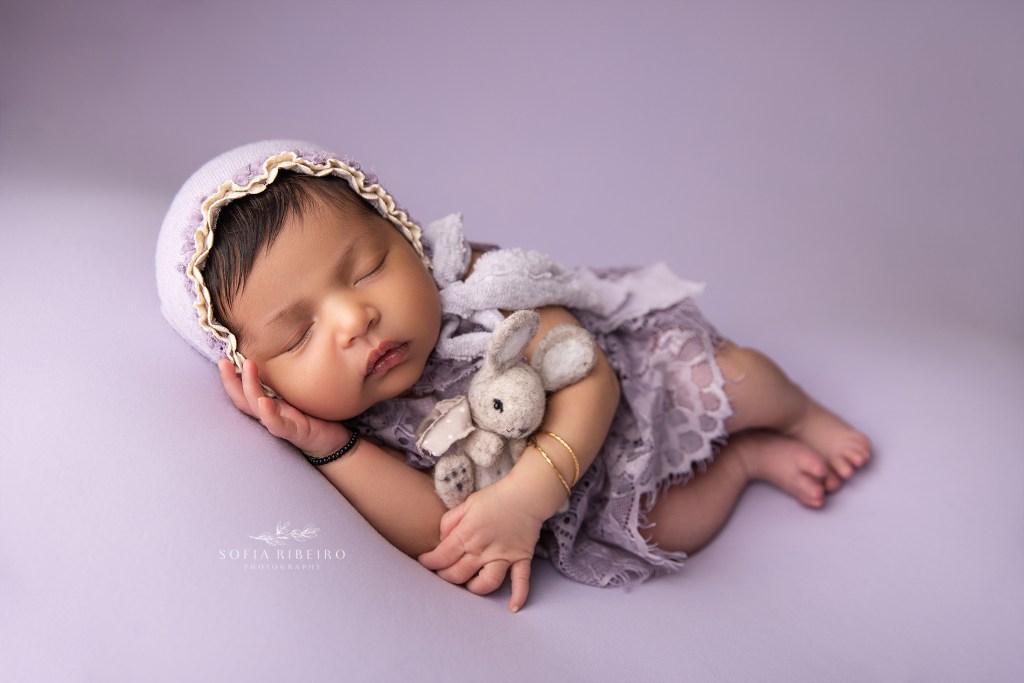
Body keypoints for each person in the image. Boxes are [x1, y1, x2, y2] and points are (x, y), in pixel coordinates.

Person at [156, 140, 872, 613]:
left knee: (732, 376)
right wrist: (324, 445)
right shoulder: (351, 425)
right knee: (670, 528)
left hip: (624, 391)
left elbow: (588, 375)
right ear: (260, 376)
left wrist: (530, 494)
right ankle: (745, 462)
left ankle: (797, 412)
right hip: (587, 498)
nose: (354, 319)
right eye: (299, 333)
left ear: (404, 233)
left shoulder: (476, 287)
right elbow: (443, 531)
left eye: (368, 268)